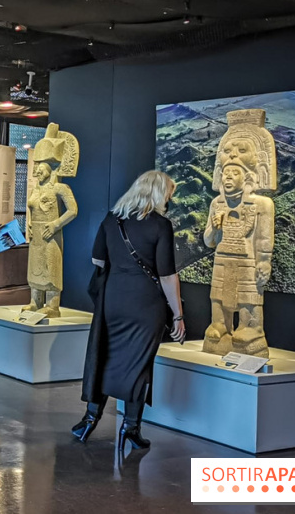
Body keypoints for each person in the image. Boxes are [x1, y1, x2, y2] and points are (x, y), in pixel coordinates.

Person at [74, 170, 186, 450]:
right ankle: (131, 428)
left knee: (105, 356)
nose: (169, 200)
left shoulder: (112, 219)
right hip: (145, 304)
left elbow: (98, 260)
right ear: (159, 194)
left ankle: (90, 419)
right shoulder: (160, 225)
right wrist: (178, 315)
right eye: (168, 194)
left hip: (113, 299)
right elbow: (167, 275)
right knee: (139, 365)